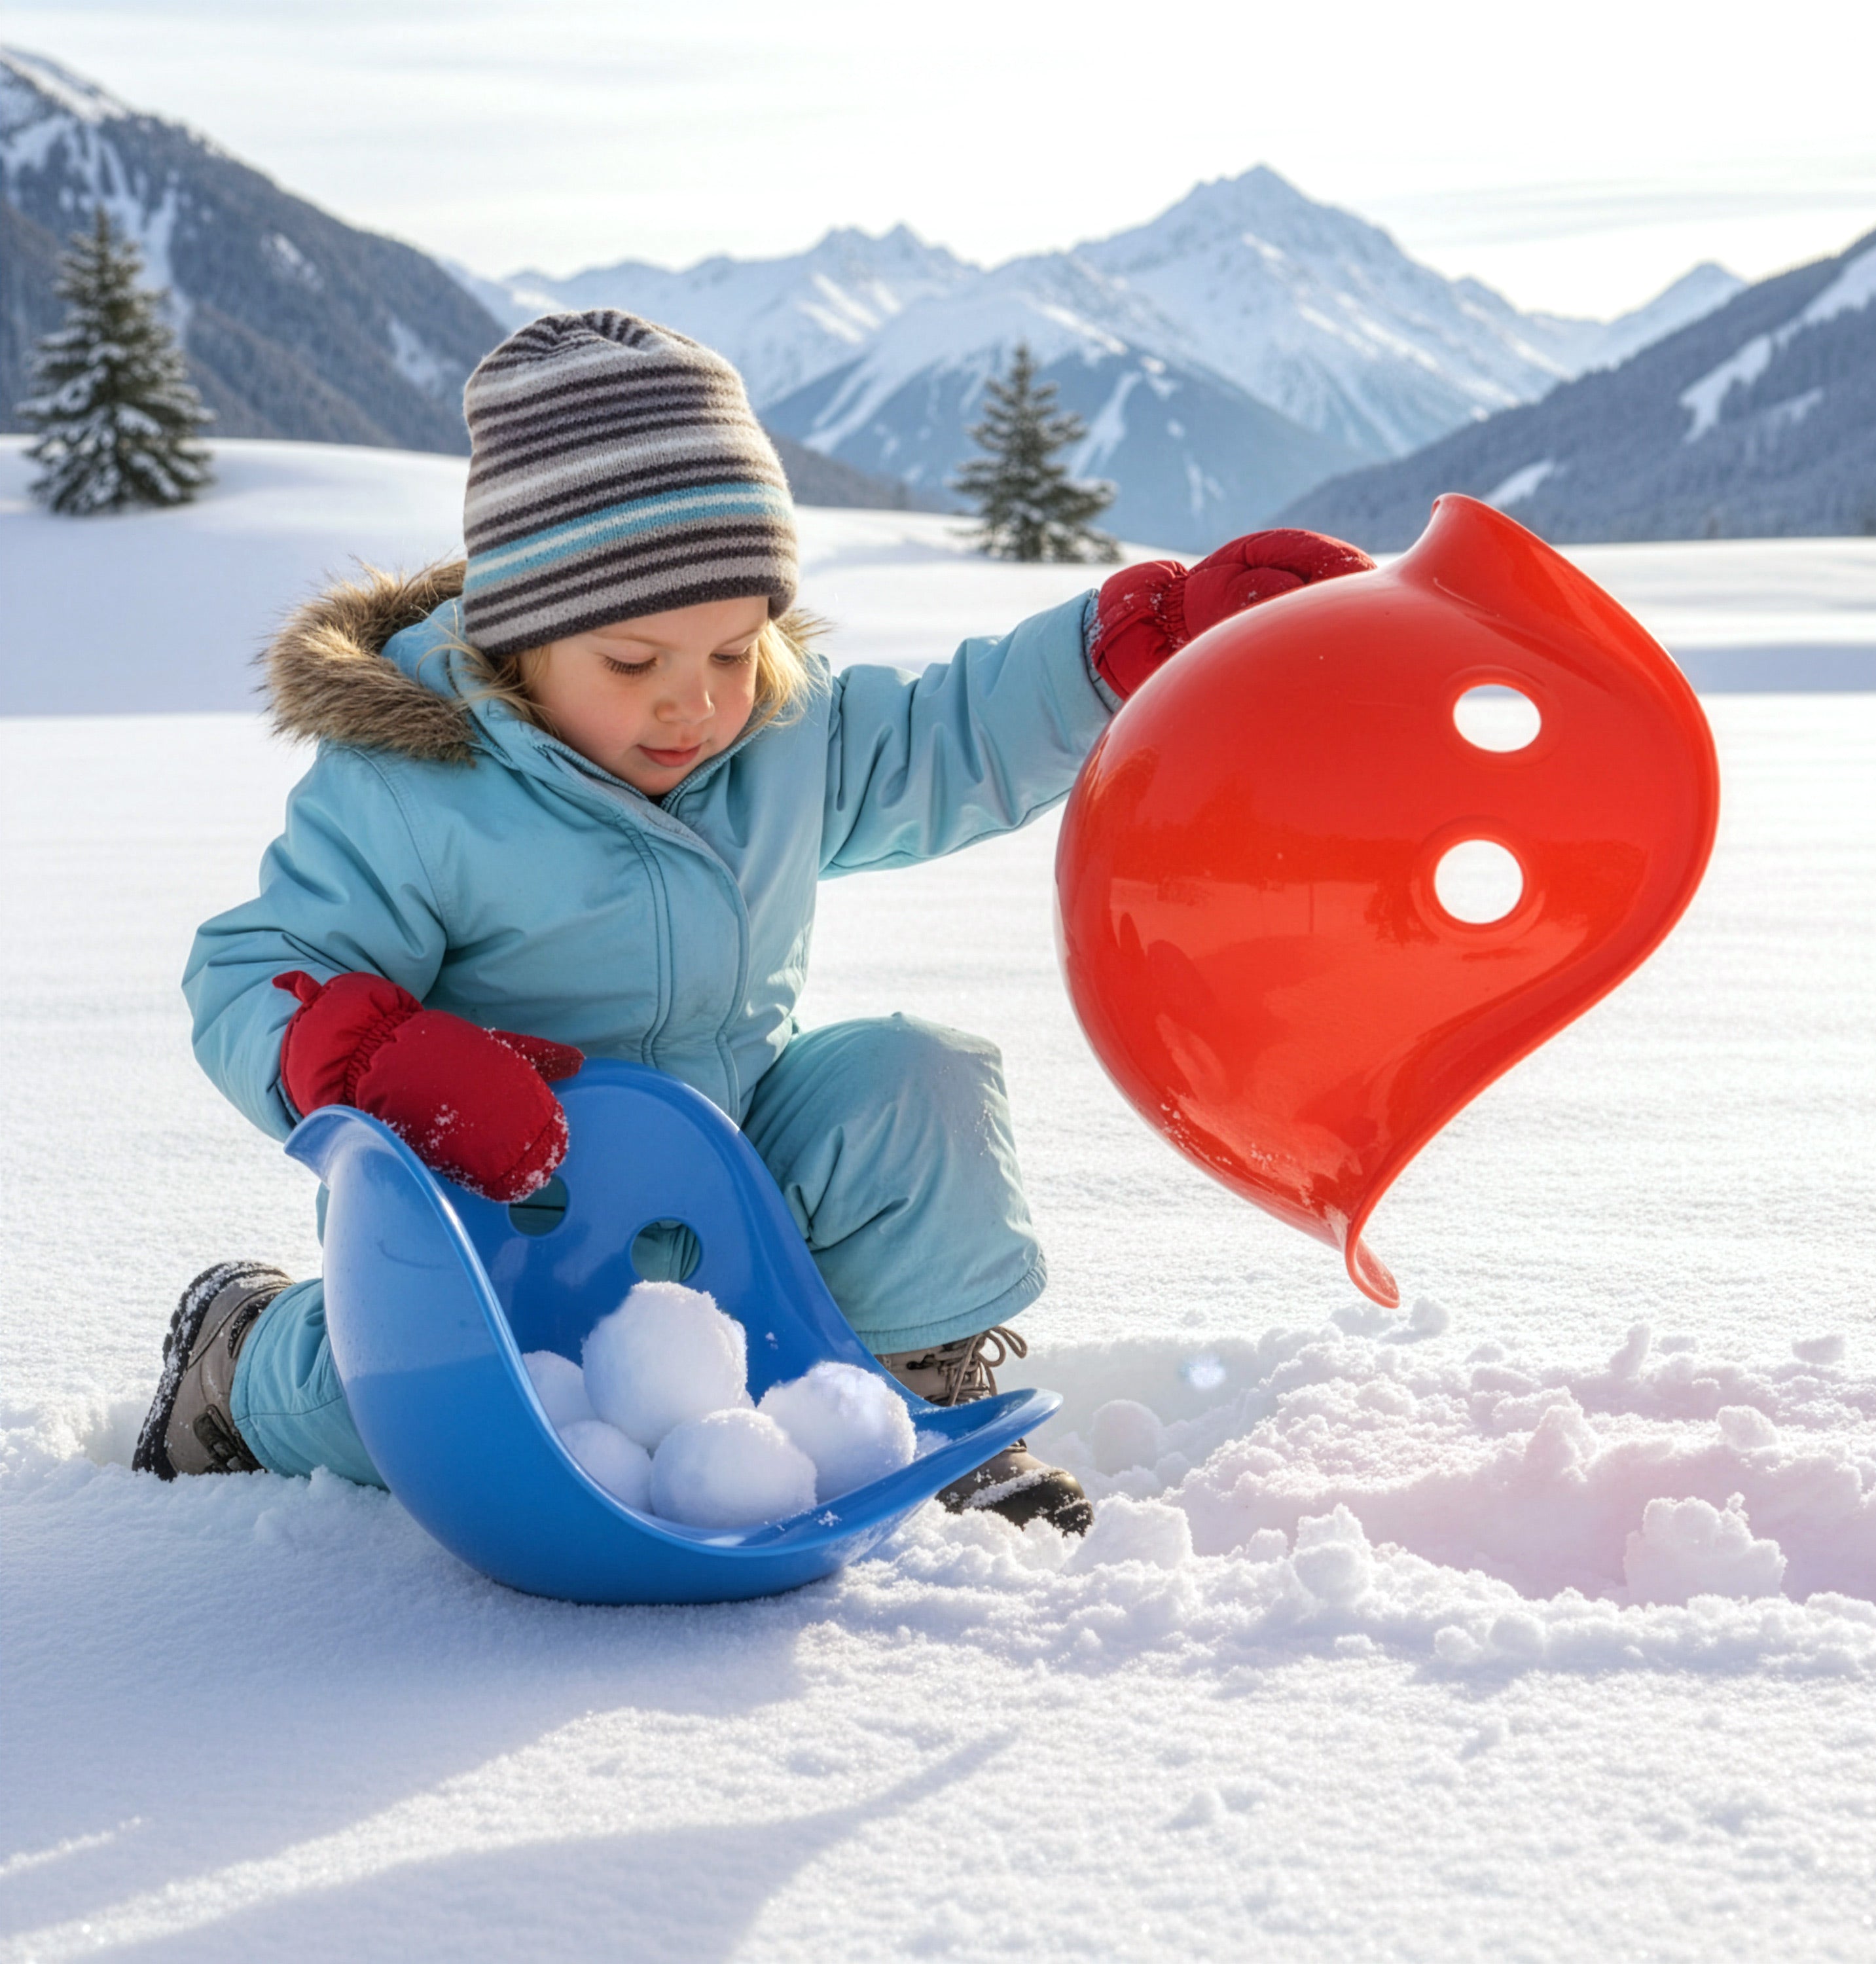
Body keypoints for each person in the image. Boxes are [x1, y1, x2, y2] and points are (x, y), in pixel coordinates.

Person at [135, 309, 1373, 1534]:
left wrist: (1137, 648)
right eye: (635, 664)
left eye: (734, 648)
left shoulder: (784, 735)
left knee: (909, 1078)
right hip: (500, 1226)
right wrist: (367, 1057)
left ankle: (903, 1402)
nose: (696, 705)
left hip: (734, 1197)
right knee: (411, 1414)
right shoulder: (420, 788)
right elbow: (259, 969)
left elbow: (954, 738)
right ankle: (242, 1363)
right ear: (521, 637)